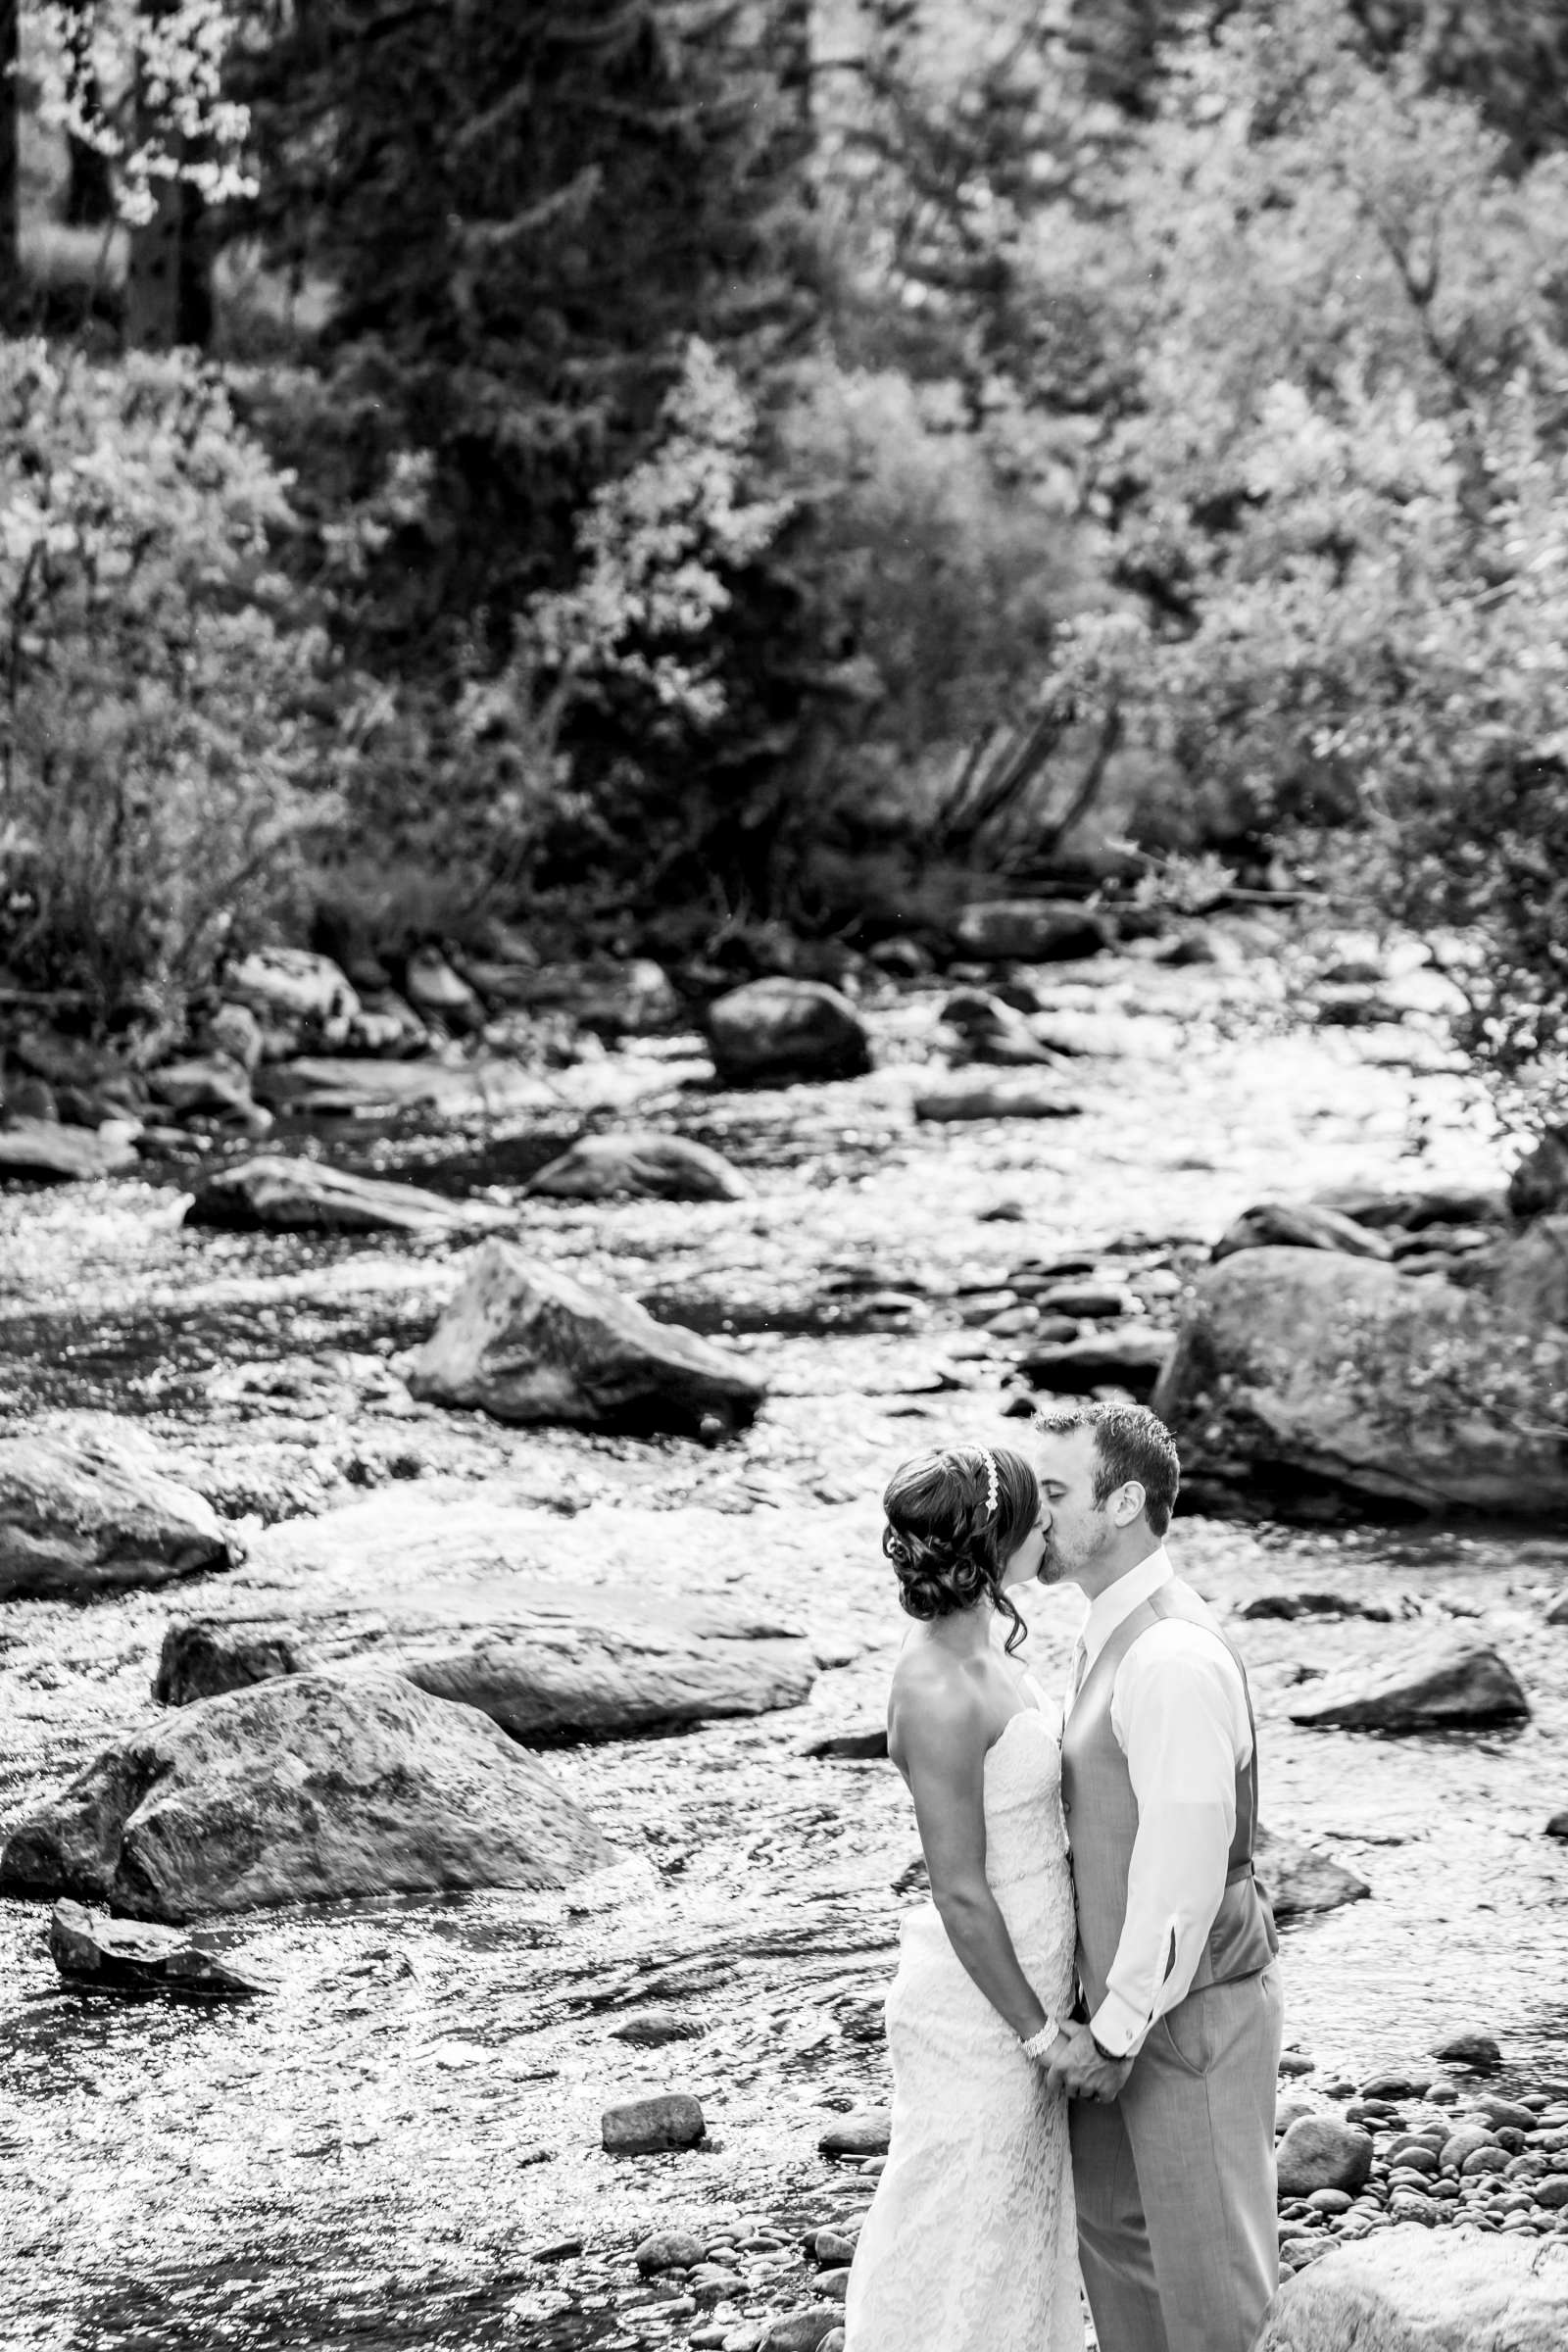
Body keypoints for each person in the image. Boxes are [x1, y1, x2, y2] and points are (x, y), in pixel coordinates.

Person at [1034, 1400, 1284, 2352]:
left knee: (1214, 2293)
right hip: (1121, 2013)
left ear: (1124, 1501)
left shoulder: (1171, 1656)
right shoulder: (1109, 1628)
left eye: (1054, 1493)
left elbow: (1181, 1868)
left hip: (1187, 2020)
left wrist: (1119, 2030)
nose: (1035, 1515)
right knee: (1119, 2250)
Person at [842, 1442, 1084, 2352]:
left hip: (1032, 1973)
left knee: (1015, 2226)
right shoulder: (938, 1688)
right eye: (1035, 1514)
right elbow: (959, 1892)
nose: (1049, 1527)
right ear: (995, 1540)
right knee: (958, 2231)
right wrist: (1040, 2031)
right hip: (985, 2010)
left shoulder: (978, 1641)